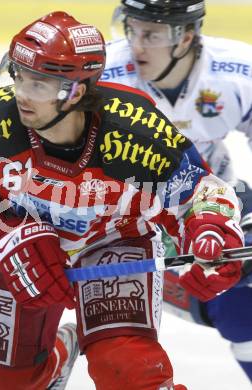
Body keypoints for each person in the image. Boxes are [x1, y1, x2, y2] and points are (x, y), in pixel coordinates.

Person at [0, 10, 244, 390]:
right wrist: (1, 240)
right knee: (11, 385)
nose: (22, 96)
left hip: (114, 241)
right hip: (15, 250)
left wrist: (209, 227)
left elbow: (202, 191)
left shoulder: (136, 134)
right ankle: (59, 356)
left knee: (129, 371)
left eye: (40, 85)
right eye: (20, 78)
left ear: (77, 91)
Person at [102, 0, 252, 382]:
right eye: (131, 29)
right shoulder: (103, 75)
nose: (137, 44)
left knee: (242, 310)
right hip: (127, 221)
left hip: (212, 208)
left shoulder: (238, 72)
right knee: (232, 306)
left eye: (151, 34)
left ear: (185, 37)